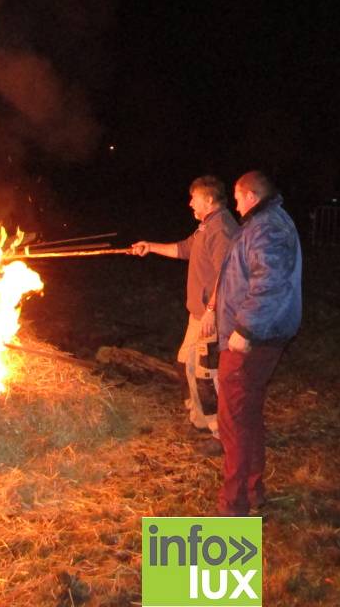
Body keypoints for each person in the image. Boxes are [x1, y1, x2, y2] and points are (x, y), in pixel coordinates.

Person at [211, 171, 302, 516]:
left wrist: (246, 330)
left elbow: (270, 282)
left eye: (236, 196)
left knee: (234, 421)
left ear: (250, 195)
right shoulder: (263, 224)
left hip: (253, 340)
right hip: (260, 335)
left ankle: (233, 506)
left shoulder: (266, 228)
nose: (234, 203)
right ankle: (252, 491)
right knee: (246, 417)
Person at [131, 176, 239, 448]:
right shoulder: (206, 227)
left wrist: (211, 313)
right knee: (186, 363)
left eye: (195, 198)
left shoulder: (222, 230)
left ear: (210, 200)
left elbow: (226, 277)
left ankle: (220, 432)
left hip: (211, 317)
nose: (190, 202)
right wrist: (150, 247)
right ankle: (201, 420)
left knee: (206, 374)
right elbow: (183, 249)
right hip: (199, 314)